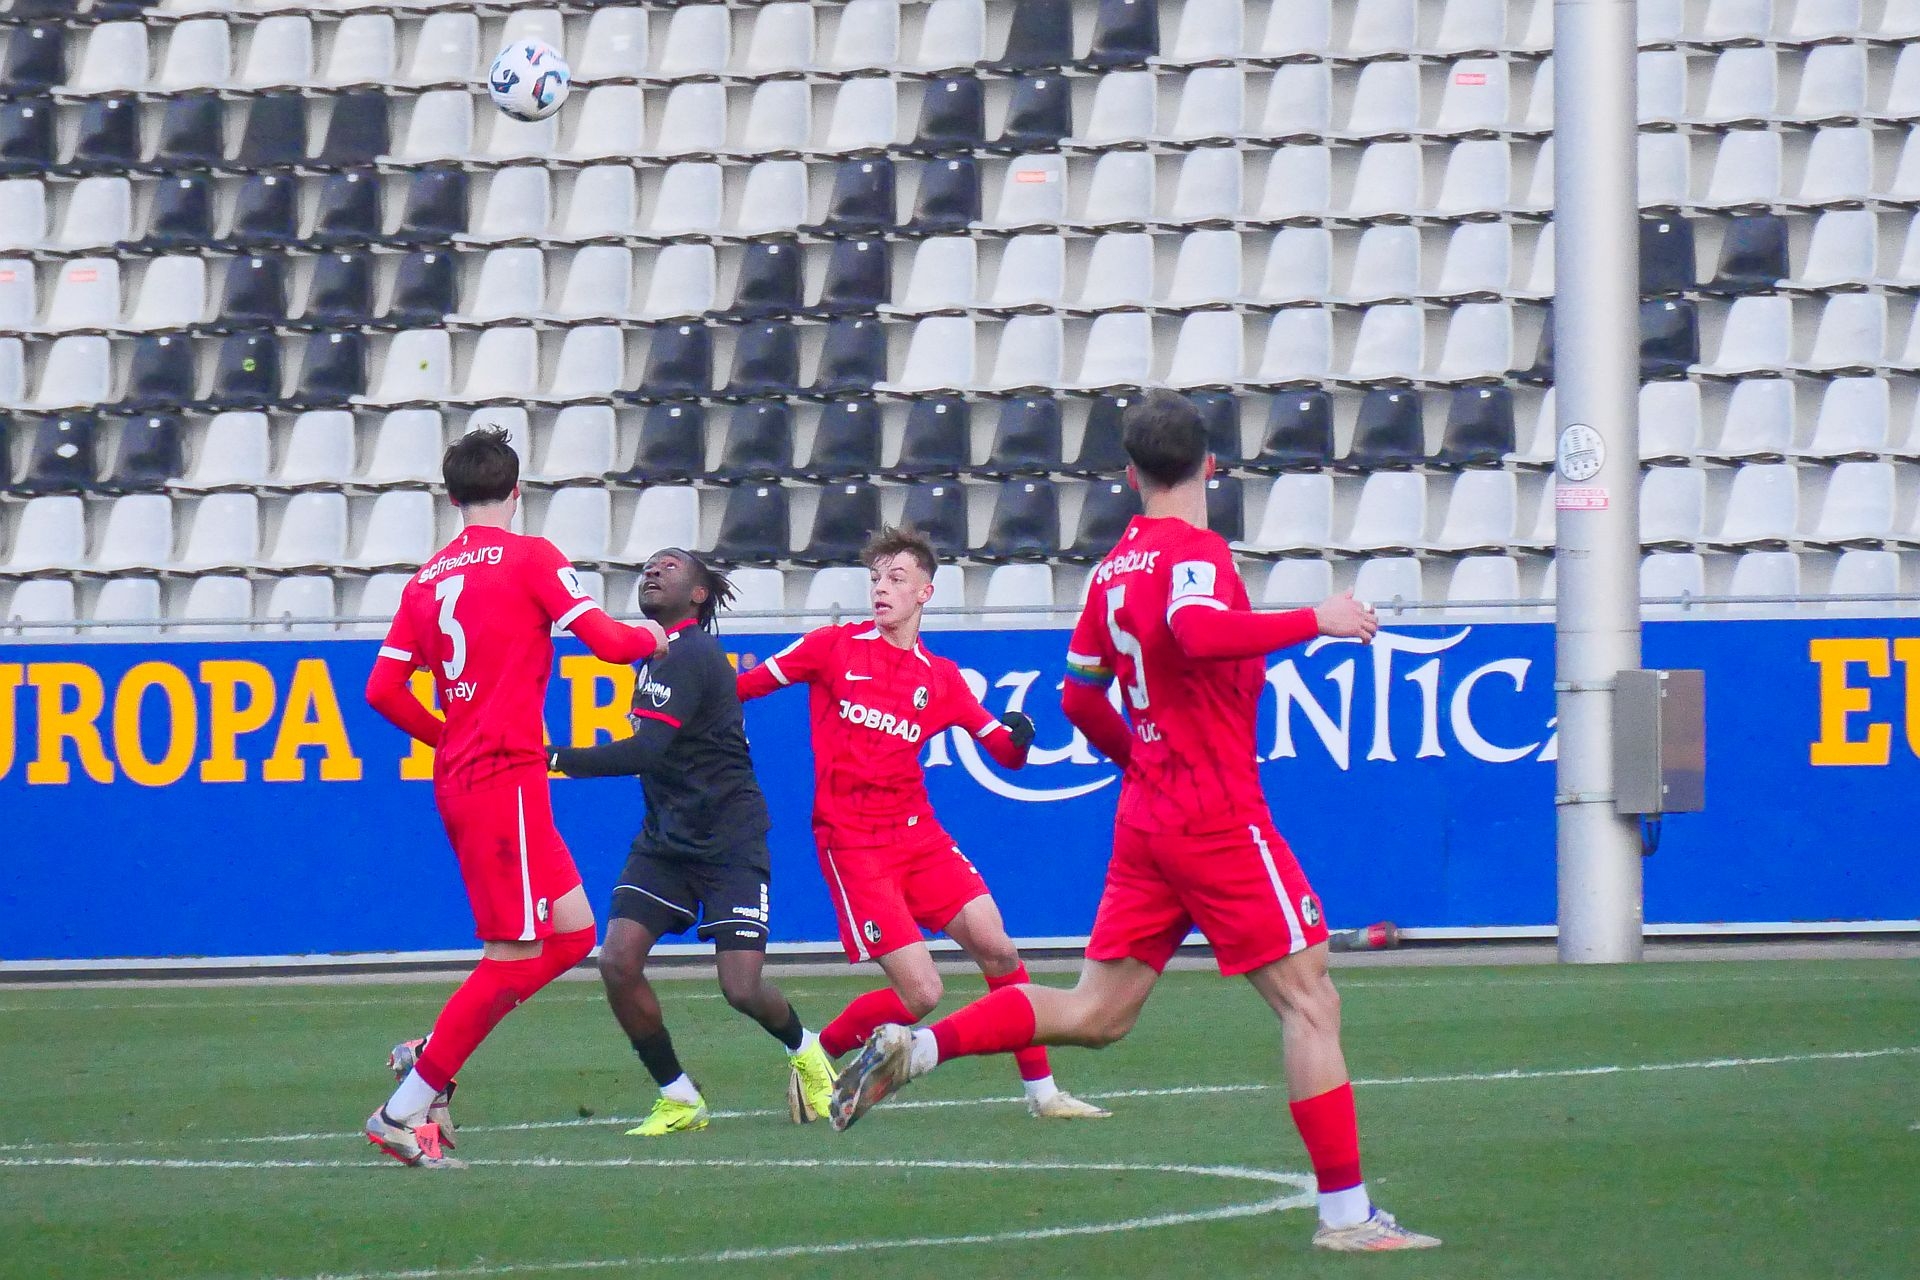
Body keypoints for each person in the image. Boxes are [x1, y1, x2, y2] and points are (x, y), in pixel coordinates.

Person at [827, 392, 1441, 1252]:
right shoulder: (1196, 552)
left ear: (1127, 475)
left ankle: (919, 1050)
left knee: (1098, 1012)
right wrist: (1317, 621)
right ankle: (1346, 1216)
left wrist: (1140, 760)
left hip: (1149, 816)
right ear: (1211, 468)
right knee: (1311, 1003)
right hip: (1216, 814)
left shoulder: (1111, 570)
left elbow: (1079, 696)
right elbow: (1196, 630)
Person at [362, 425, 667, 1169]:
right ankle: (404, 1108)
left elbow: (382, 690)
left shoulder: (425, 580)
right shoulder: (531, 557)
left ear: (452, 498)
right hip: (503, 778)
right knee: (512, 952)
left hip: (473, 776)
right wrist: (658, 639)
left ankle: (431, 1056)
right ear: (517, 492)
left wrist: (449, 735)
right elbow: (606, 640)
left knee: (572, 934)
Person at [735, 526, 1108, 1120]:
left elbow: (1004, 752)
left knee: (999, 949)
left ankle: (1043, 1095)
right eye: (875, 579)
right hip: (853, 844)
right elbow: (743, 686)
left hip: (919, 835)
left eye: (896, 578)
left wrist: (1019, 738)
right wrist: (684, 699)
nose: (881, 589)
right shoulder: (831, 647)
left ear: (925, 593)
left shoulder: (941, 678)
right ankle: (818, 1056)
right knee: (922, 993)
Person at [543, 548, 837, 1134]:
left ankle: (806, 1049)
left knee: (741, 988)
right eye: (649, 566)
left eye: (669, 567)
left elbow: (647, 751)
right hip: (666, 842)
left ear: (699, 595)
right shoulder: (655, 656)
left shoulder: (692, 653)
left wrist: (552, 758)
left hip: (729, 841)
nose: (652, 572)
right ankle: (679, 1097)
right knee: (617, 961)